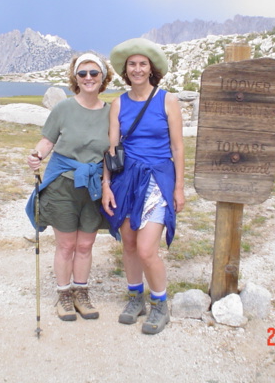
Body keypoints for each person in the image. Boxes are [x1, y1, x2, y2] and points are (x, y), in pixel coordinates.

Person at [102, 37, 185, 335]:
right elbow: (112, 147)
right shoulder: (118, 103)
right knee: (129, 243)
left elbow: (177, 147)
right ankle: (135, 297)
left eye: (143, 64)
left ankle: (160, 304)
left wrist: (179, 187)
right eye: (132, 65)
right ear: (126, 70)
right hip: (127, 180)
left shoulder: (168, 100)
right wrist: (107, 185)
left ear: (152, 69)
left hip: (158, 180)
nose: (137, 69)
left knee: (147, 249)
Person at [26, 53, 113, 322]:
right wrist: (36, 155)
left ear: (103, 77)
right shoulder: (63, 108)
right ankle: (64, 295)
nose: (88, 78)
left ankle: (81, 292)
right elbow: (47, 142)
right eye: (82, 73)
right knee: (66, 245)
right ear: (75, 78)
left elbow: (112, 151)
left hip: (93, 186)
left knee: (86, 244)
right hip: (63, 185)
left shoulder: (112, 112)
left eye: (93, 73)